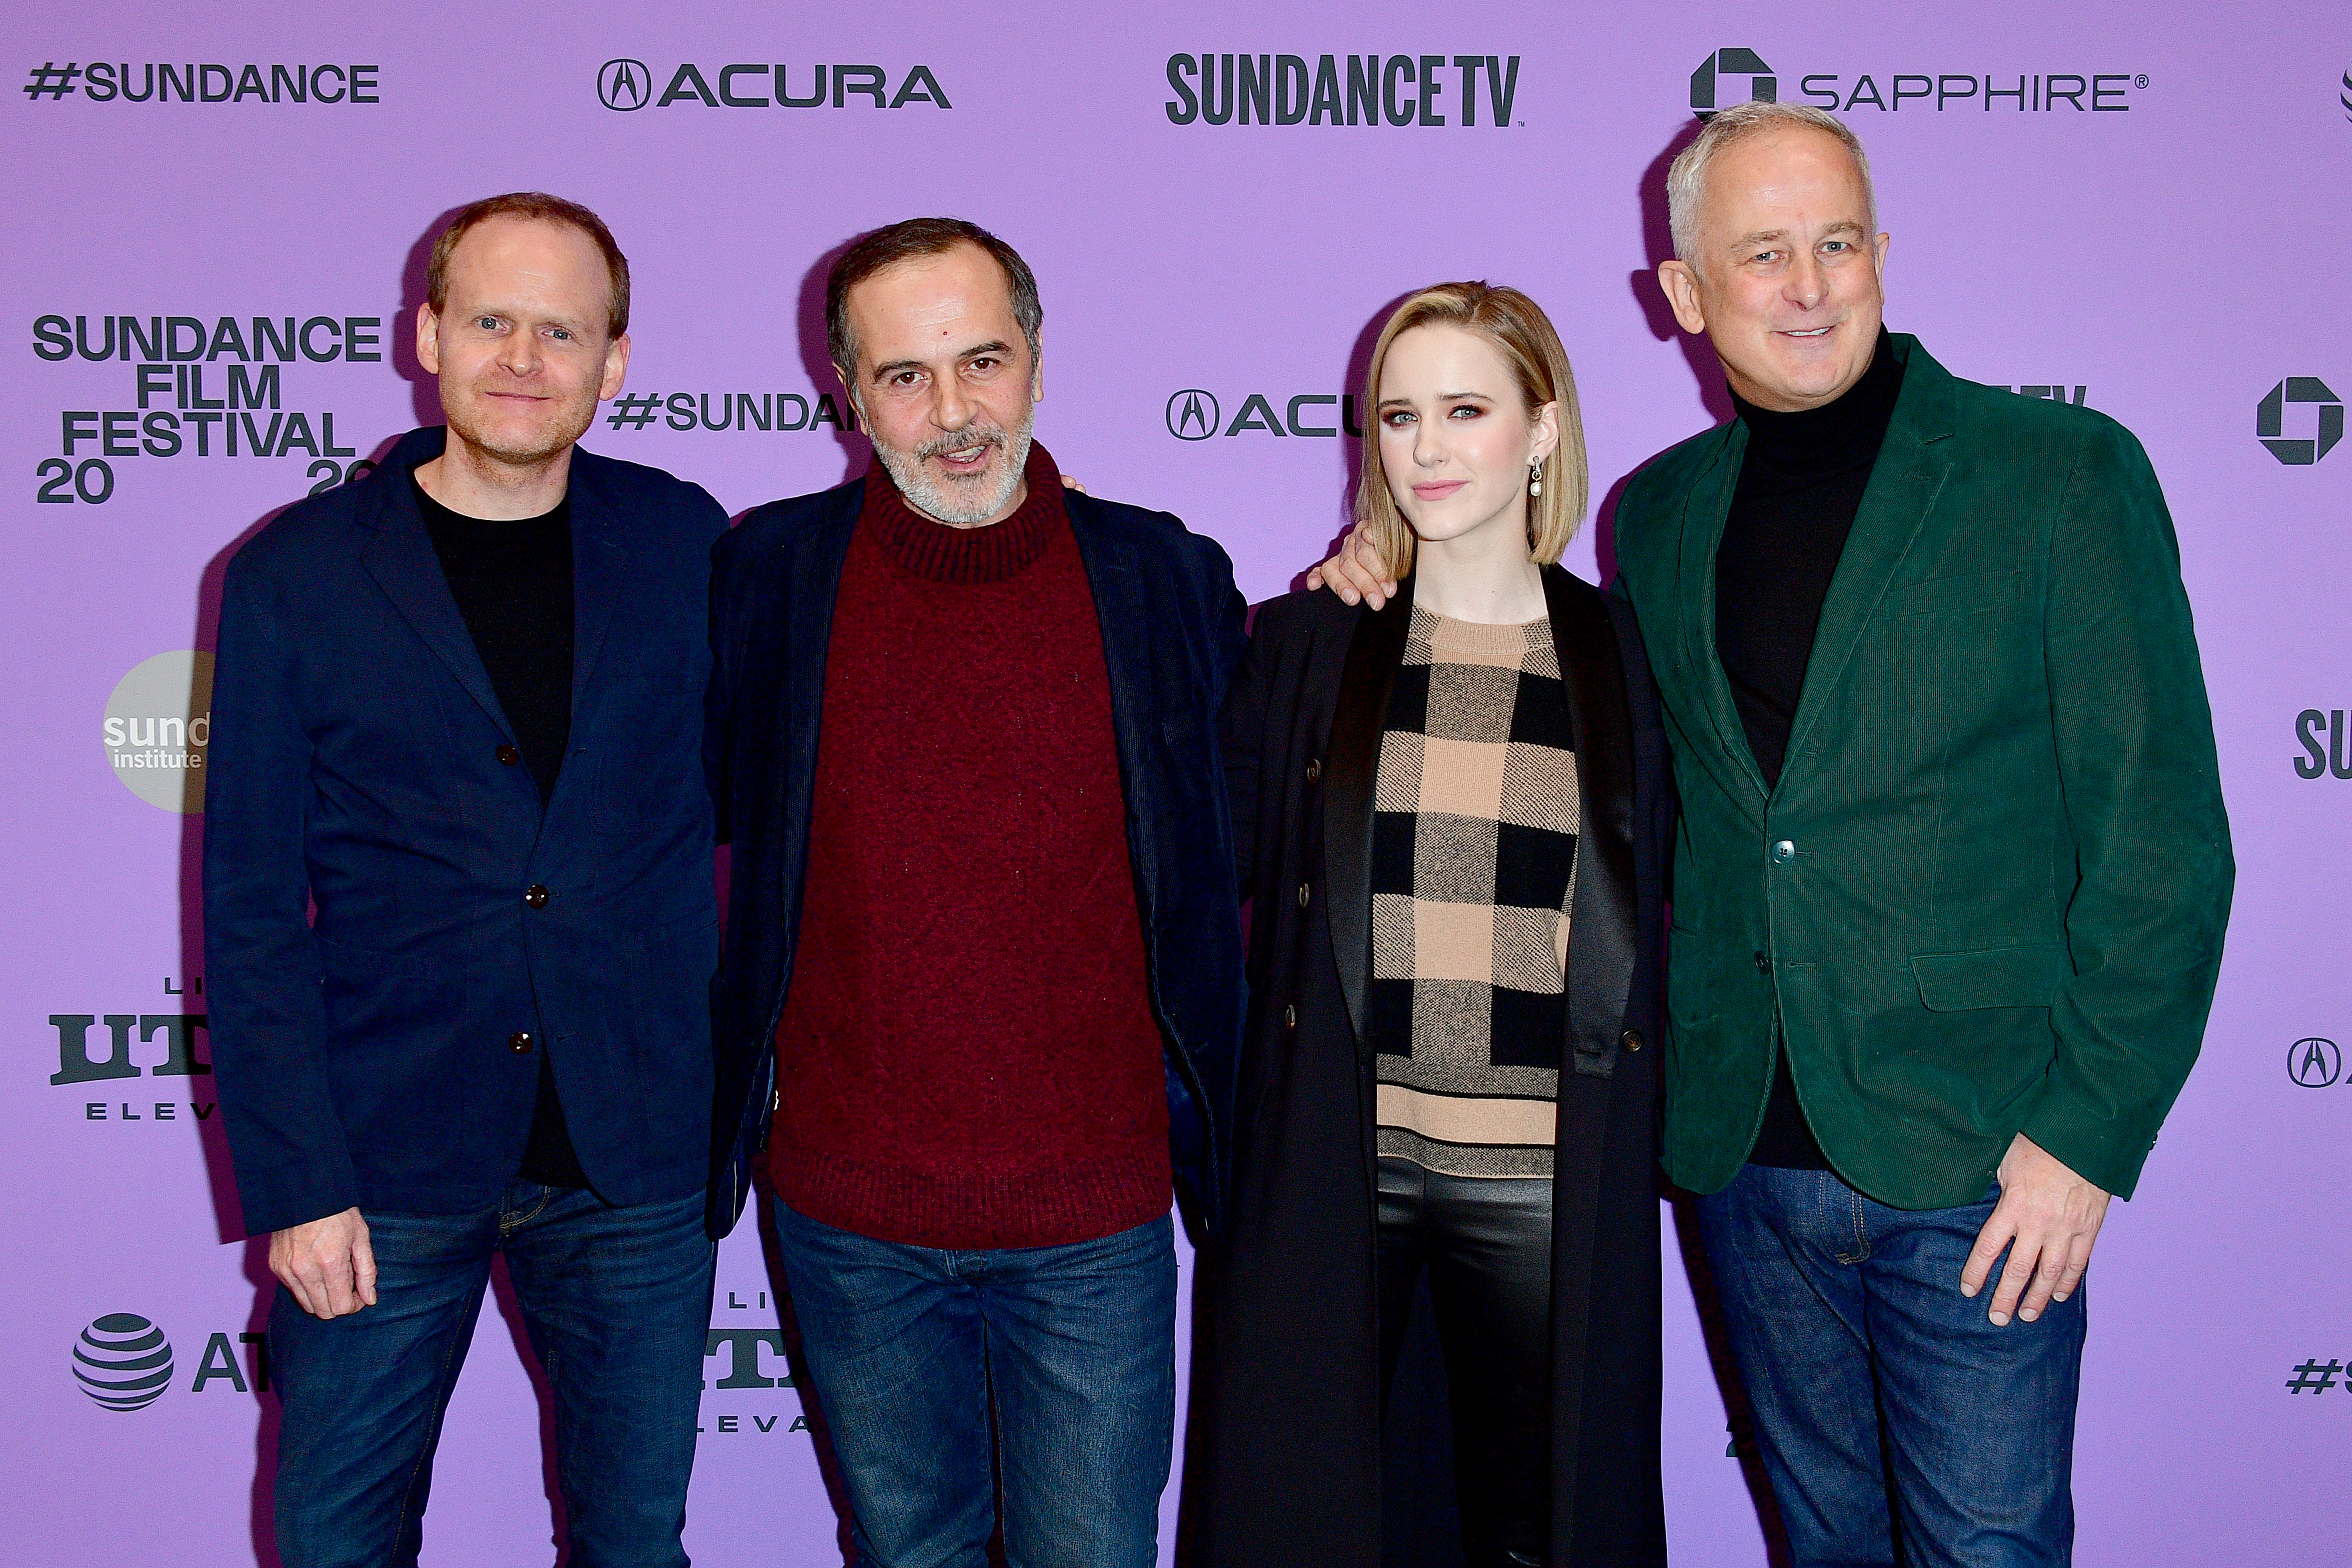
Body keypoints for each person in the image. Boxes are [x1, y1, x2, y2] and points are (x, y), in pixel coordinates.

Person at [1316, 103, 2234, 1566]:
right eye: (1762, 254)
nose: (1809, 285)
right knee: (1825, 1548)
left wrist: (2086, 1137)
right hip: (1740, 1162)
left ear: (1882, 255)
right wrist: (1386, 553)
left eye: (1838, 243)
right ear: (1686, 295)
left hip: (1979, 1164)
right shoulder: (1662, 516)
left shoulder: (2060, 476)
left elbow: (2166, 845)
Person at [702, 216, 1247, 1568]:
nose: (953, 415)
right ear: (849, 394)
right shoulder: (766, 578)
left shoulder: (1167, 580)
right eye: (906, 376)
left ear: (1040, 363)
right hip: (849, 1224)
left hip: (1093, 1225)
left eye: (985, 361)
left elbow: (1252, 841)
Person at [205, 193, 726, 1568]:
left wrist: (1037, 499)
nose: (522, 356)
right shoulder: (292, 577)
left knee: (636, 1550)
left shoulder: (692, 545)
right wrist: (295, 1183)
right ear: (427, 333)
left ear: (615, 362)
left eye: (563, 330)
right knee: (335, 1544)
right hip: (378, 1168)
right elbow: (251, 911)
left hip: (636, 1160)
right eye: (491, 319)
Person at [1204, 283, 1670, 1568]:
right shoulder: (1309, 641)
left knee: (1539, 1534)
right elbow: (1202, 878)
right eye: (1398, 416)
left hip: (1547, 1183)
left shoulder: (1633, 658)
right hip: (1348, 1165)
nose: (1427, 448)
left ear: (1541, 428)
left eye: (1466, 409)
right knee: (1321, 1525)